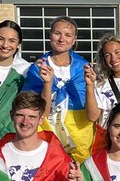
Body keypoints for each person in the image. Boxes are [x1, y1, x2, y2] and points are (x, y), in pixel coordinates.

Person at [22, 16, 94, 162]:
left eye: (68, 35)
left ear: (74, 40)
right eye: (57, 33)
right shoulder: (37, 69)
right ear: (50, 36)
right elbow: (35, 110)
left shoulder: (84, 68)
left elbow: (93, 111)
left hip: (78, 135)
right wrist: (47, 84)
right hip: (46, 131)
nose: (62, 39)